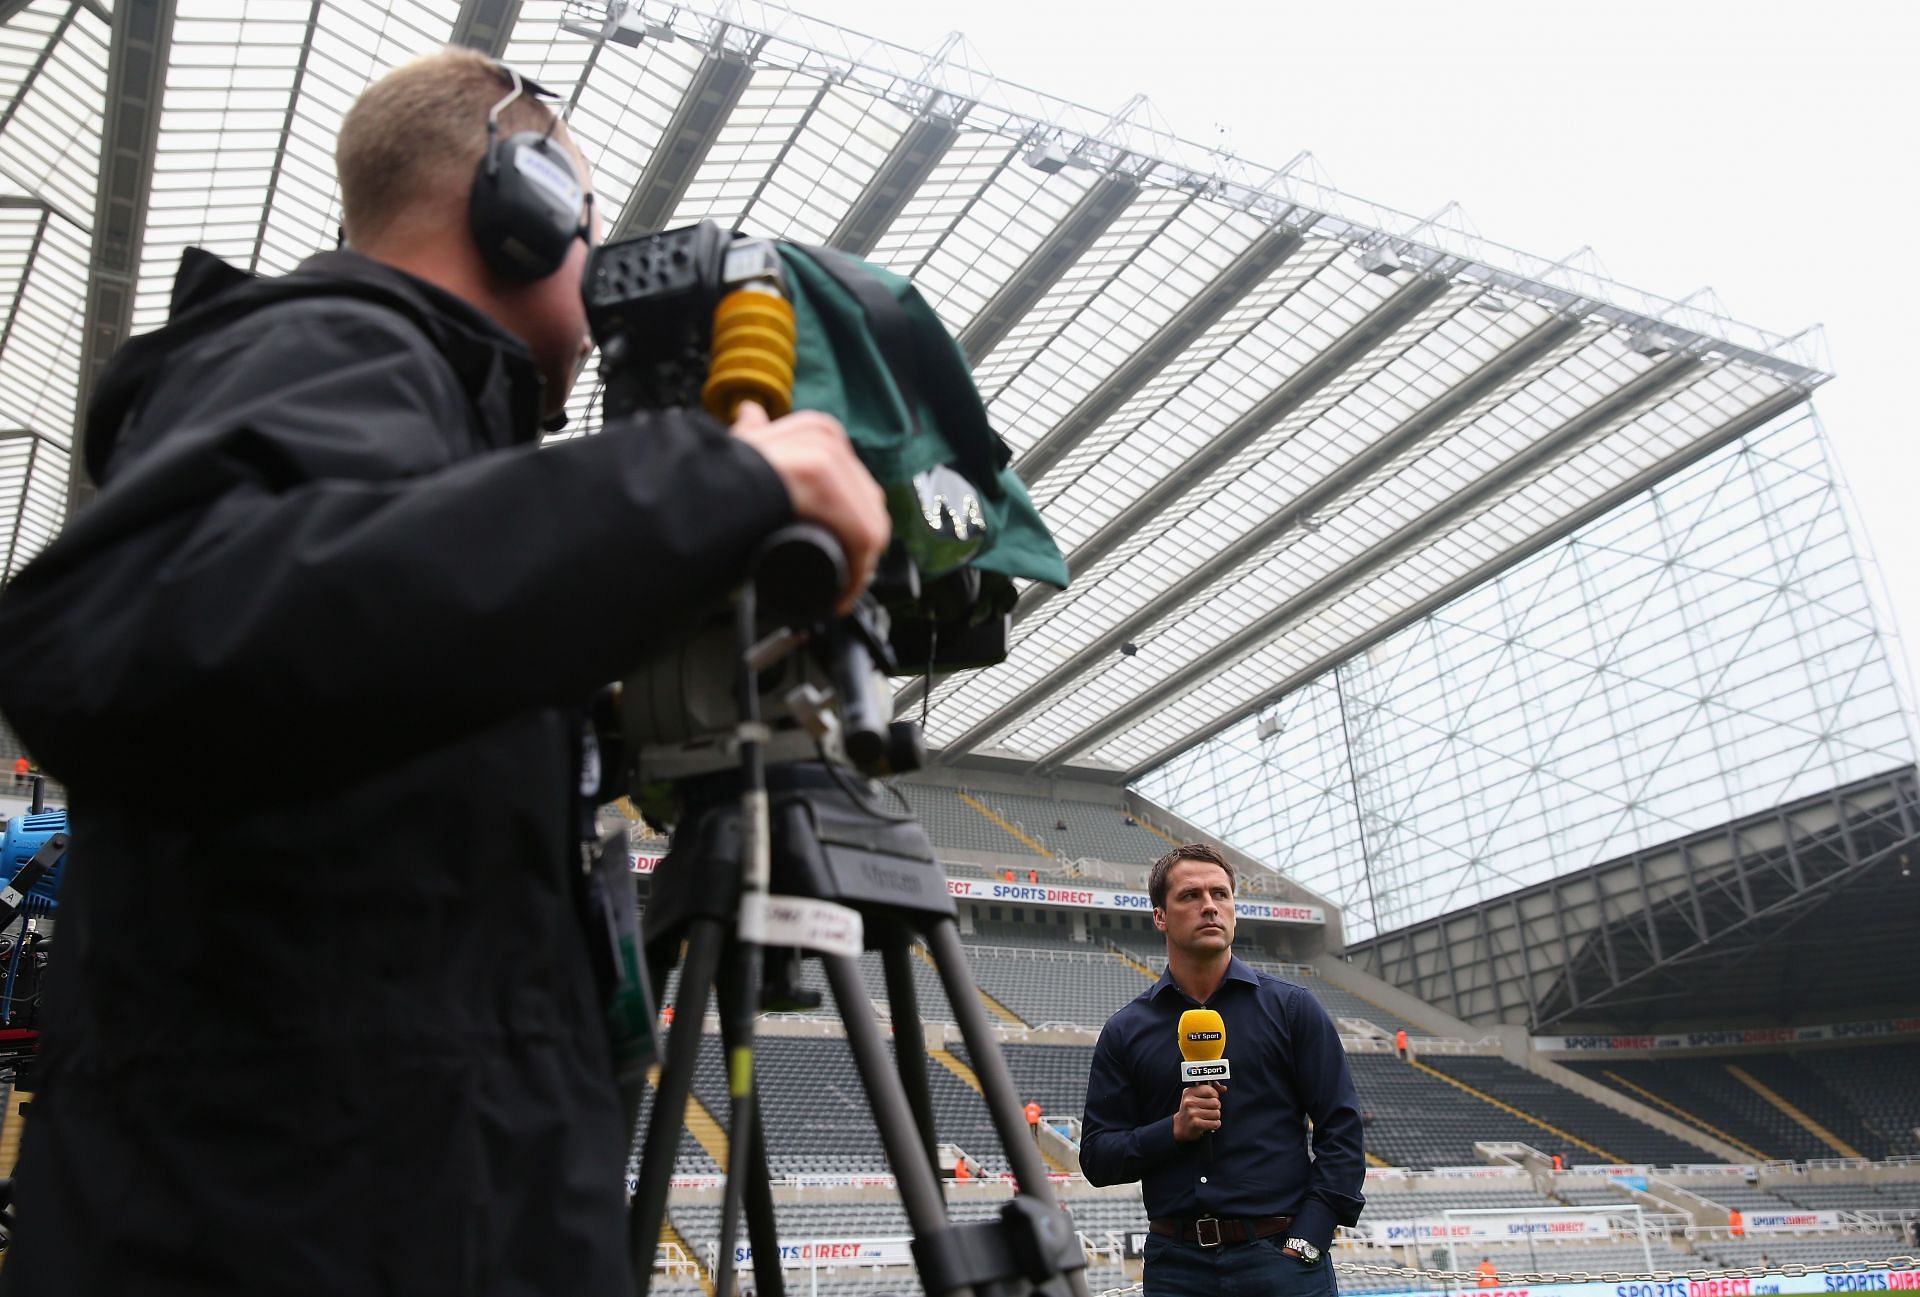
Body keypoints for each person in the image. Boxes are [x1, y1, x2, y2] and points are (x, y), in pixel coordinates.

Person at [0, 48, 888, 1297]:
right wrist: (711, 483)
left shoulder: (416, 431)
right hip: (305, 1235)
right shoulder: (336, 347)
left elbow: (353, 681)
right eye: (591, 228)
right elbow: (130, 628)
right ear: (518, 206)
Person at [1081, 843, 1364, 1295]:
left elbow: (1342, 1128)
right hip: (1176, 1267)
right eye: (1191, 896)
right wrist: (1172, 1130)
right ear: (1160, 917)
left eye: (1221, 894)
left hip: (1282, 1259)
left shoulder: (1293, 1009)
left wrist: (1312, 1235)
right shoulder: (1125, 1030)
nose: (1209, 905)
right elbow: (1097, 1157)